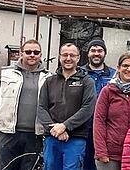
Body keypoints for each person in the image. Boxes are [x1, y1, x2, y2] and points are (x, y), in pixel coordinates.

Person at [0, 39, 50, 170]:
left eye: (36, 52)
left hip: (35, 136)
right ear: (21, 53)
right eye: (28, 52)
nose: (32, 55)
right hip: (8, 134)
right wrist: (4, 115)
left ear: (40, 54)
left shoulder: (49, 78)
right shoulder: (6, 73)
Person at [38, 42, 98, 170]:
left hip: (76, 138)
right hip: (52, 137)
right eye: (65, 55)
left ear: (78, 58)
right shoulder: (49, 81)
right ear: (60, 57)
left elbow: (88, 108)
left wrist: (65, 126)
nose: (68, 58)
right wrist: (55, 130)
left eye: (72, 55)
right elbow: (41, 108)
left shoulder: (87, 82)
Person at [93, 52, 130, 170]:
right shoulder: (108, 91)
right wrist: (101, 151)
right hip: (111, 154)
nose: (128, 69)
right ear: (118, 68)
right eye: (125, 66)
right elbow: (99, 120)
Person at [81, 38, 116, 170]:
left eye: (100, 50)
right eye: (93, 50)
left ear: (104, 53)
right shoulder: (80, 73)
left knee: (101, 163)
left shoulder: (113, 75)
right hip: (83, 127)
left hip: (105, 129)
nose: (96, 54)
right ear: (88, 53)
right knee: (84, 162)